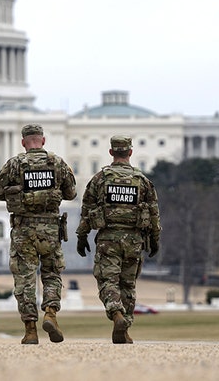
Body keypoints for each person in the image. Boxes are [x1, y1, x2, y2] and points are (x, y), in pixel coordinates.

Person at [0, 123, 77, 344]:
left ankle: (30, 330)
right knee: (52, 274)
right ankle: (50, 313)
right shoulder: (57, 163)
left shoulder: (14, 164)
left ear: (23, 142)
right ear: (43, 140)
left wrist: (19, 192)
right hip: (50, 229)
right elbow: (71, 193)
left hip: (24, 230)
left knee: (25, 279)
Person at [76, 135, 161, 344]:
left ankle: (116, 314)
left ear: (111, 152)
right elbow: (154, 213)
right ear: (130, 152)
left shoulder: (100, 179)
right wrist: (155, 239)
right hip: (134, 240)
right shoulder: (142, 181)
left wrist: (82, 236)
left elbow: (86, 210)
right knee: (128, 285)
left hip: (108, 238)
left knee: (108, 280)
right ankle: (125, 328)